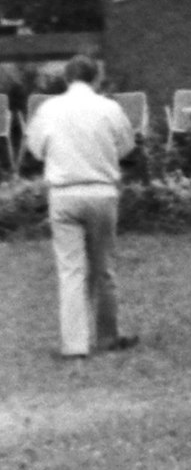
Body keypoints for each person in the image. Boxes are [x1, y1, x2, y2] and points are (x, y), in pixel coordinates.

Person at [23, 55, 138, 359]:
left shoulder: (48, 109)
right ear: (96, 78)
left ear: (66, 78)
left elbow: (35, 149)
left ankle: (74, 344)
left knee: (71, 270)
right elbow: (126, 146)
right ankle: (107, 336)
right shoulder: (110, 108)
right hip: (101, 191)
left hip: (64, 193)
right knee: (104, 268)